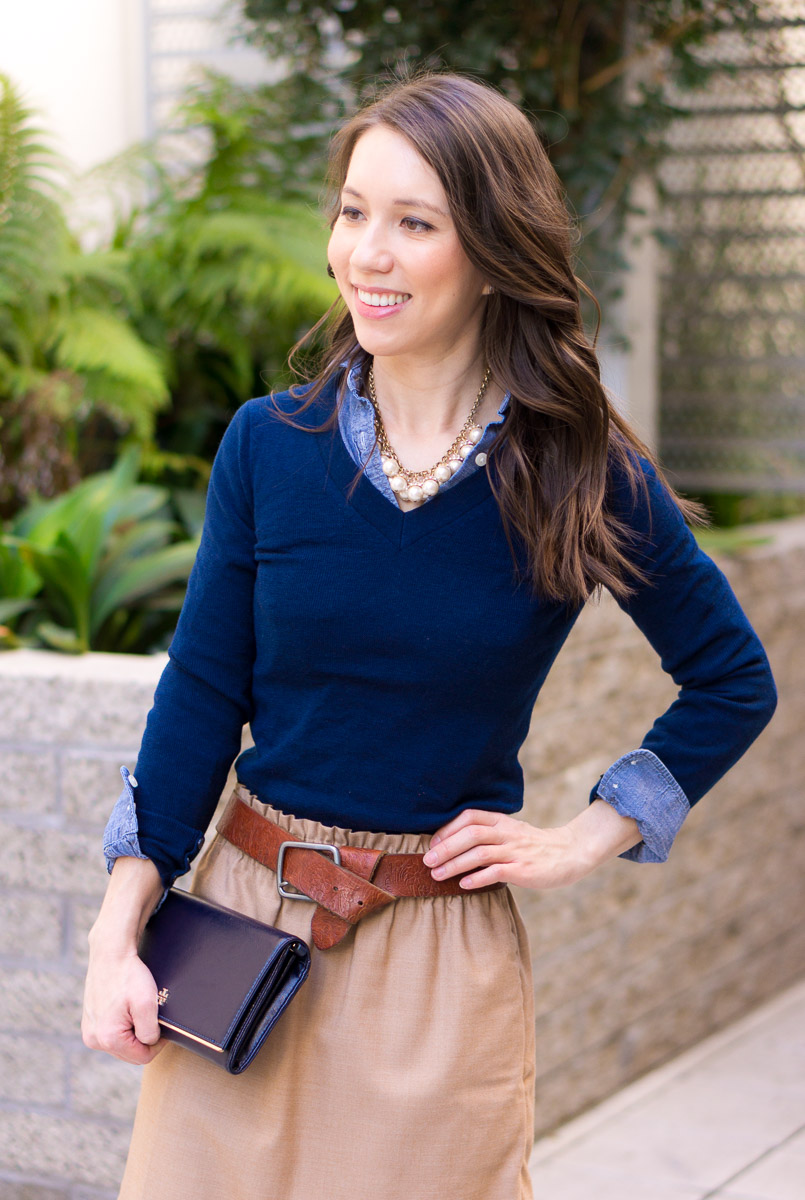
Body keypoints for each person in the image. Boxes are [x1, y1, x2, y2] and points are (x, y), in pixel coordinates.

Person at [81, 70, 777, 1200]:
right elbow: (201, 700)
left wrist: (586, 836)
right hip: (242, 930)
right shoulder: (269, 446)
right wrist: (122, 931)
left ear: (494, 249)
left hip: (436, 962)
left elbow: (731, 680)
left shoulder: (575, 471)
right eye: (353, 212)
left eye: (415, 223)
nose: (366, 253)